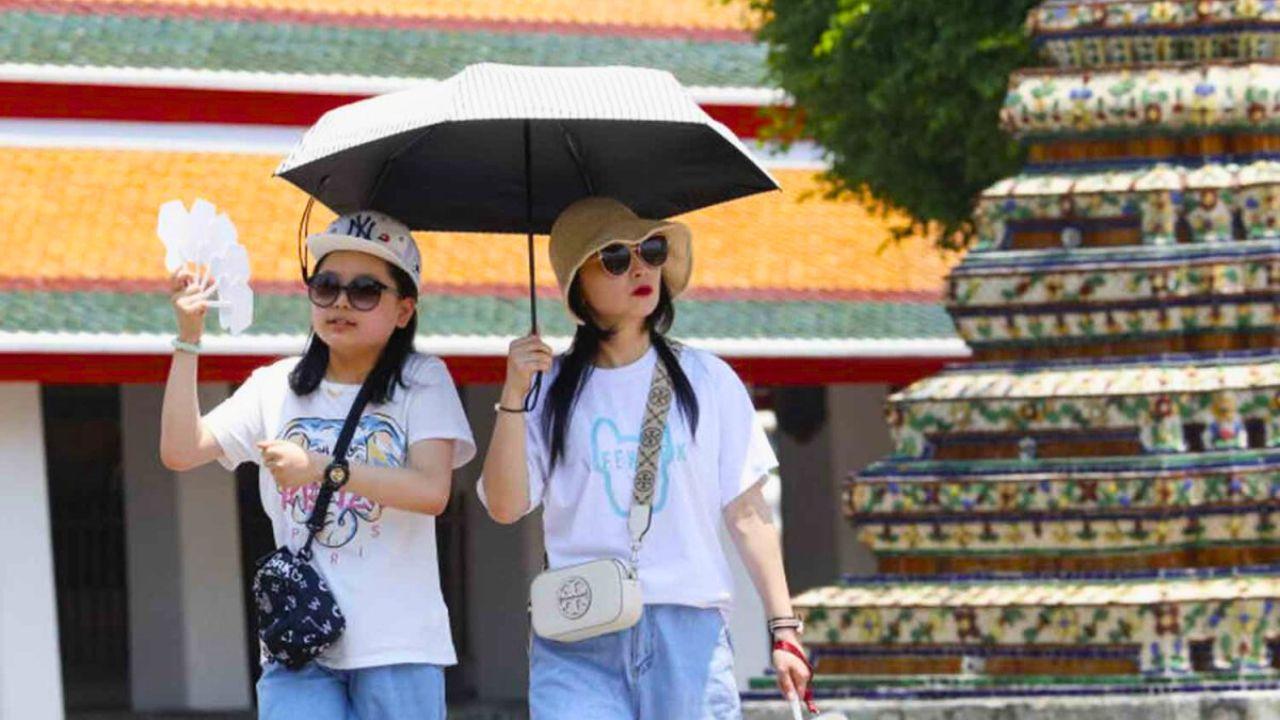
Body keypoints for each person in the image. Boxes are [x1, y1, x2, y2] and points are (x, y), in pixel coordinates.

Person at [479, 197, 812, 719]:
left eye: (650, 250)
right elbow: (504, 506)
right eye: (614, 258)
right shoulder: (548, 389)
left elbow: (748, 515)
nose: (639, 267)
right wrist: (513, 395)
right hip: (579, 628)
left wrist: (784, 627)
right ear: (576, 285)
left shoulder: (708, 379)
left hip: (687, 632)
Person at [159, 210, 475, 719]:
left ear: (403, 309)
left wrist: (323, 468)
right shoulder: (274, 385)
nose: (342, 303)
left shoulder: (423, 381)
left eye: (365, 290)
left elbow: (432, 491)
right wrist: (187, 339)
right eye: (326, 286)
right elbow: (180, 449)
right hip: (298, 638)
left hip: (398, 644)